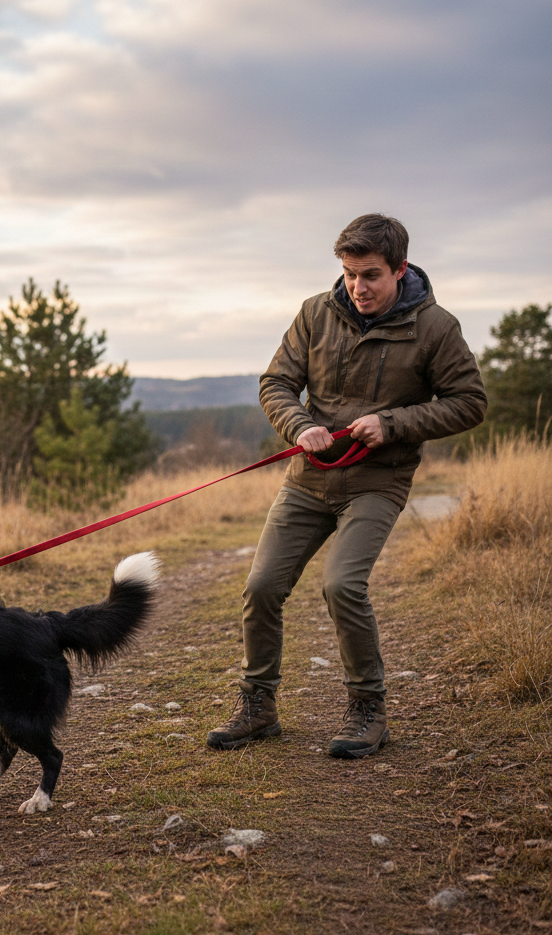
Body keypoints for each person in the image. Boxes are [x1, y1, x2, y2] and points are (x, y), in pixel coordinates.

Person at [206, 214, 487, 759]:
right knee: (262, 586)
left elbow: (470, 402)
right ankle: (258, 706)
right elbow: (277, 383)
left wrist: (394, 424)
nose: (358, 287)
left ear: (400, 270)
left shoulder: (436, 327)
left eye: (371, 275)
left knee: (342, 586)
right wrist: (299, 425)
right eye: (350, 274)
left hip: (377, 482)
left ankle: (368, 711)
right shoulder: (315, 312)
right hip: (308, 480)